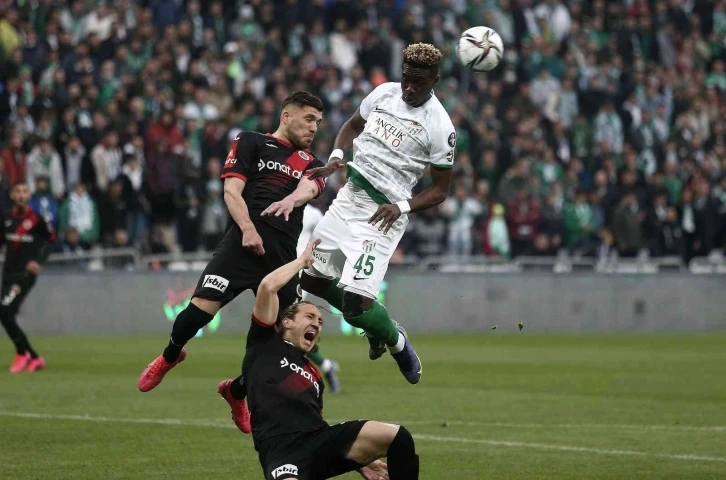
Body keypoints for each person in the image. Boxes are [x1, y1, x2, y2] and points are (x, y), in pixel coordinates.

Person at [137, 91, 330, 429]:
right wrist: (248, 229)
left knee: (284, 344)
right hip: (240, 246)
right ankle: (170, 356)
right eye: (309, 118)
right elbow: (231, 191)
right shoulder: (251, 141)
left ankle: (236, 391)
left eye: (318, 121)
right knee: (195, 315)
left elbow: (309, 187)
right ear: (287, 116)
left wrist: (293, 199)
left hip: (281, 259)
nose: (314, 127)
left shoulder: (312, 161)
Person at [301, 43, 457, 384]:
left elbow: (440, 191)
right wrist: (337, 156)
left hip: (383, 216)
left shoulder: (440, 126)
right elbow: (351, 125)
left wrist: (402, 206)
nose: (409, 88)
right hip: (349, 198)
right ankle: (373, 328)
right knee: (310, 279)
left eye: (419, 82)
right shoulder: (384, 93)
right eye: (406, 79)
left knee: (355, 307)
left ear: (435, 80)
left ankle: (397, 342)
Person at [224, 239, 418, 480]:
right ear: (287, 322)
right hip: (282, 452)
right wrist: (302, 262)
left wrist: (358, 462)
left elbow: (315, 423)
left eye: (320, 321)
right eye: (309, 316)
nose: (316, 323)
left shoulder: (315, 375)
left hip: (319, 441)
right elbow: (267, 286)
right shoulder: (264, 342)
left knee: (398, 436)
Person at [1, 181, 55, 373]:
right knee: (6, 315)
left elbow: (51, 242)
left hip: (24, 275)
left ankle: (22, 354)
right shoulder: (6, 218)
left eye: (25, 191)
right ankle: (34, 357)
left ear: (29, 195)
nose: (21, 195)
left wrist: (38, 261)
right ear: (12, 196)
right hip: (8, 273)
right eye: (18, 191)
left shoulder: (37, 219)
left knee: (4, 311)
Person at [296, 199, 341, 393]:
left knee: (286, 326)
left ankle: (307, 375)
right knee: (285, 328)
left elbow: (327, 239)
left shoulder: (313, 214)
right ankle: (326, 366)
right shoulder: (278, 206)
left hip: (300, 272)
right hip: (280, 270)